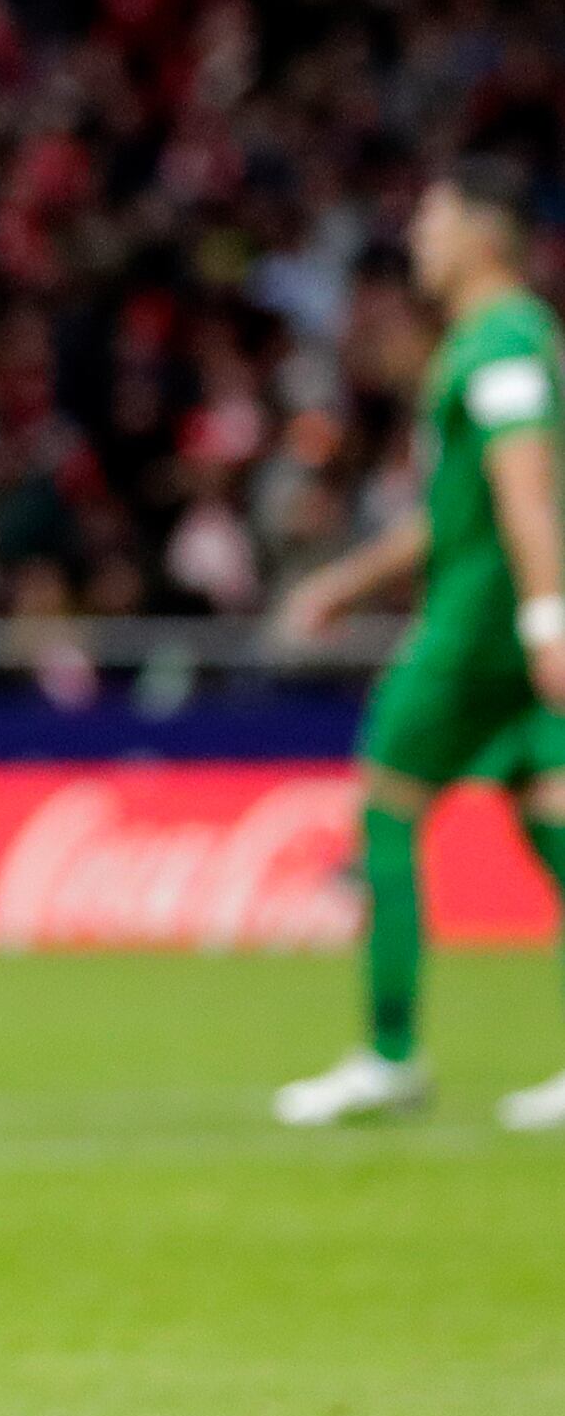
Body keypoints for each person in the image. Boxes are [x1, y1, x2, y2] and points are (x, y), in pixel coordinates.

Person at [272, 157, 565, 1130]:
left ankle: (389, 1056)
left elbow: (526, 491)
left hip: (479, 631)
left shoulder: (503, 344)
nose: (417, 239)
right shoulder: (498, 342)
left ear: (484, 234)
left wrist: (544, 618)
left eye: (434, 222)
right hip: (504, 625)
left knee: (385, 813)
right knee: (548, 823)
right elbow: (453, 516)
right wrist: (344, 585)